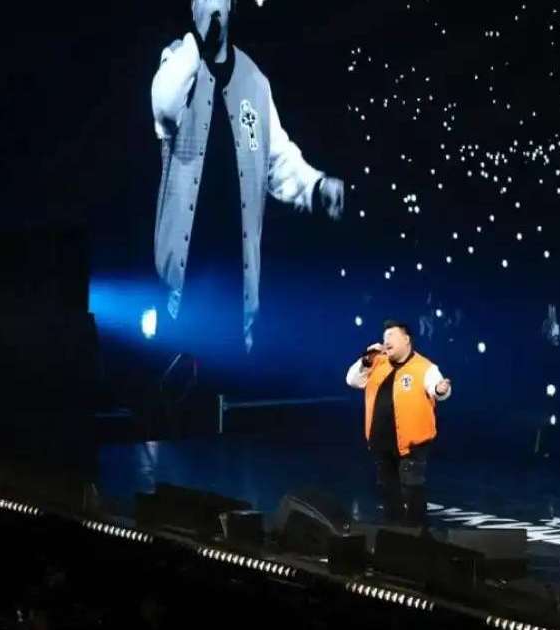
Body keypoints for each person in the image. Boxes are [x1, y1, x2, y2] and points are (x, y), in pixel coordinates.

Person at [151, 0, 346, 356]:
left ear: (232, 7)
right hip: (181, 289)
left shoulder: (255, 82)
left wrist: (316, 186)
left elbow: (278, 156)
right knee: (176, 397)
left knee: (227, 395)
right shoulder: (178, 60)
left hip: (234, 286)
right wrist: (196, 43)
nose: (211, 7)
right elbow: (163, 108)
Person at [345, 320, 452, 527]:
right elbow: (351, 380)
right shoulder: (377, 362)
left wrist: (441, 390)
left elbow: (438, 389)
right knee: (388, 493)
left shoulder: (425, 367)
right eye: (385, 337)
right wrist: (366, 360)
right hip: (382, 444)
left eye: (392, 336)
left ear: (406, 339)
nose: (386, 341)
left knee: (412, 492)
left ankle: (417, 535)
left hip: (411, 446)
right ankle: (393, 534)